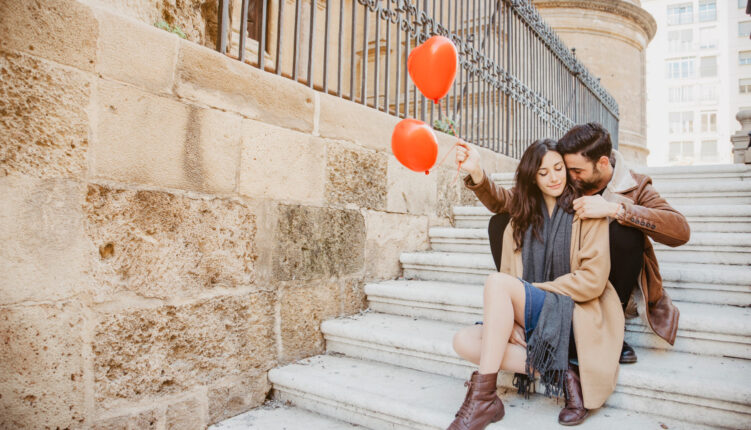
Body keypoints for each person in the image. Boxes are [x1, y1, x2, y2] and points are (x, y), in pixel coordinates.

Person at [448, 139, 623, 430]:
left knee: (497, 283)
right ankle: (562, 373)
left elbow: (592, 280)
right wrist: (513, 318)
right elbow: (507, 280)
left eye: (558, 168)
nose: (554, 177)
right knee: (463, 341)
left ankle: (482, 398)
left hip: (575, 315)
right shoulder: (520, 219)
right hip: (535, 316)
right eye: (543, 173)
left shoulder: (586, 210)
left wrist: (529, 296)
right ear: (532, 177)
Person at [484, 123, 689, 363]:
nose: (568, 176)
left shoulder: (635, 185)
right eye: (565, 168)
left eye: (576, 170)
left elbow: (680, 229)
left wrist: (615, 210)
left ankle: (611, 326)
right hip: (565, 269)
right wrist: (477, 176)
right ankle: (518, 305)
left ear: (602, 163)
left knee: (625, 233)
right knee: (501, 222)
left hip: (604, 283)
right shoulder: (568, 180)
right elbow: (509, 200)